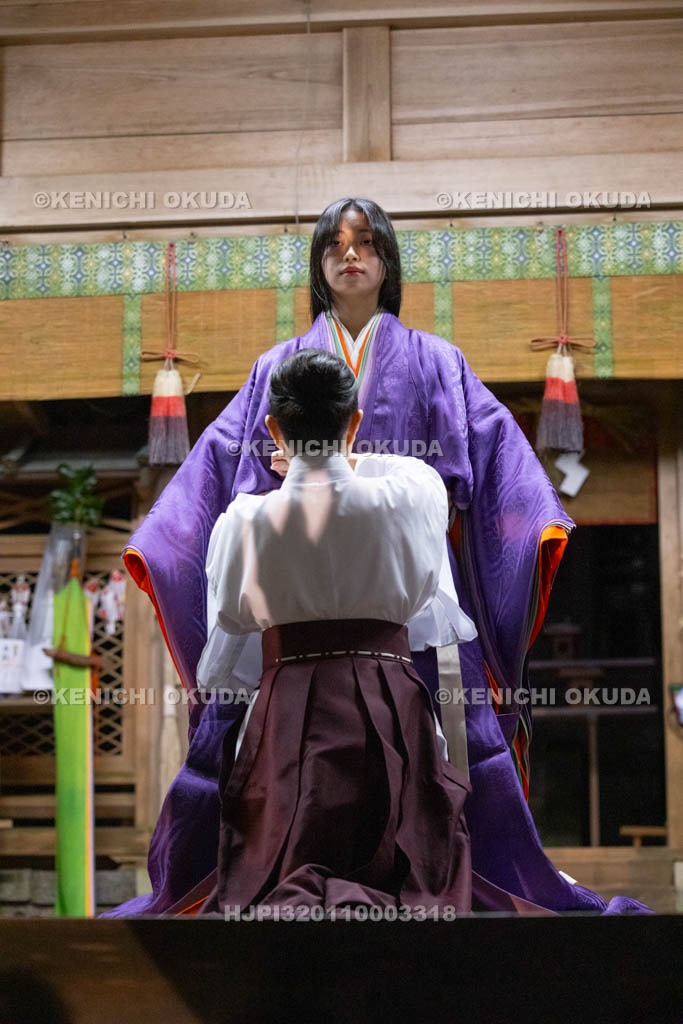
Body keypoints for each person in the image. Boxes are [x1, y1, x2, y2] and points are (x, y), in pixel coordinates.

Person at [106, 198, 650, 917]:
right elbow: (220, 465)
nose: (350, 255)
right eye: (333, 245)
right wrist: (166, 538)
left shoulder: (437, 361)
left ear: (387, 259)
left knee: (446, 743)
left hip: (405, 594)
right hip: (309, 590)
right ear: (318, 265)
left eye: (365, 242)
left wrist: (530, 523)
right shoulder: (274, 366)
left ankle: (359, 878)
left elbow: (495, 465)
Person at [175, 347, 476, 916]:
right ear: (354, 424)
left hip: (287, 706)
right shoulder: (408, 497)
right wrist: (337, 458)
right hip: (391, 701)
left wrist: (303, 464)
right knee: (404, 874)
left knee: (280, 871)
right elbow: (415, 474)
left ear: (274, 430)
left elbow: (231, 632)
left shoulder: (244, 522)